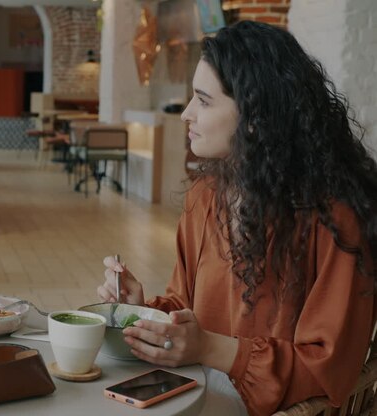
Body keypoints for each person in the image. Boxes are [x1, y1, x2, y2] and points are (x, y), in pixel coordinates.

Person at [97, 21, 376, 416]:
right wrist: (143, 310)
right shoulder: (204, 196)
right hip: (194, 393)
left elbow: (331, 367)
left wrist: (210, 347)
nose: (186, 115)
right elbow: (184, 304)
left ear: (256, 116)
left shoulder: (336, 218)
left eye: (204, 101)